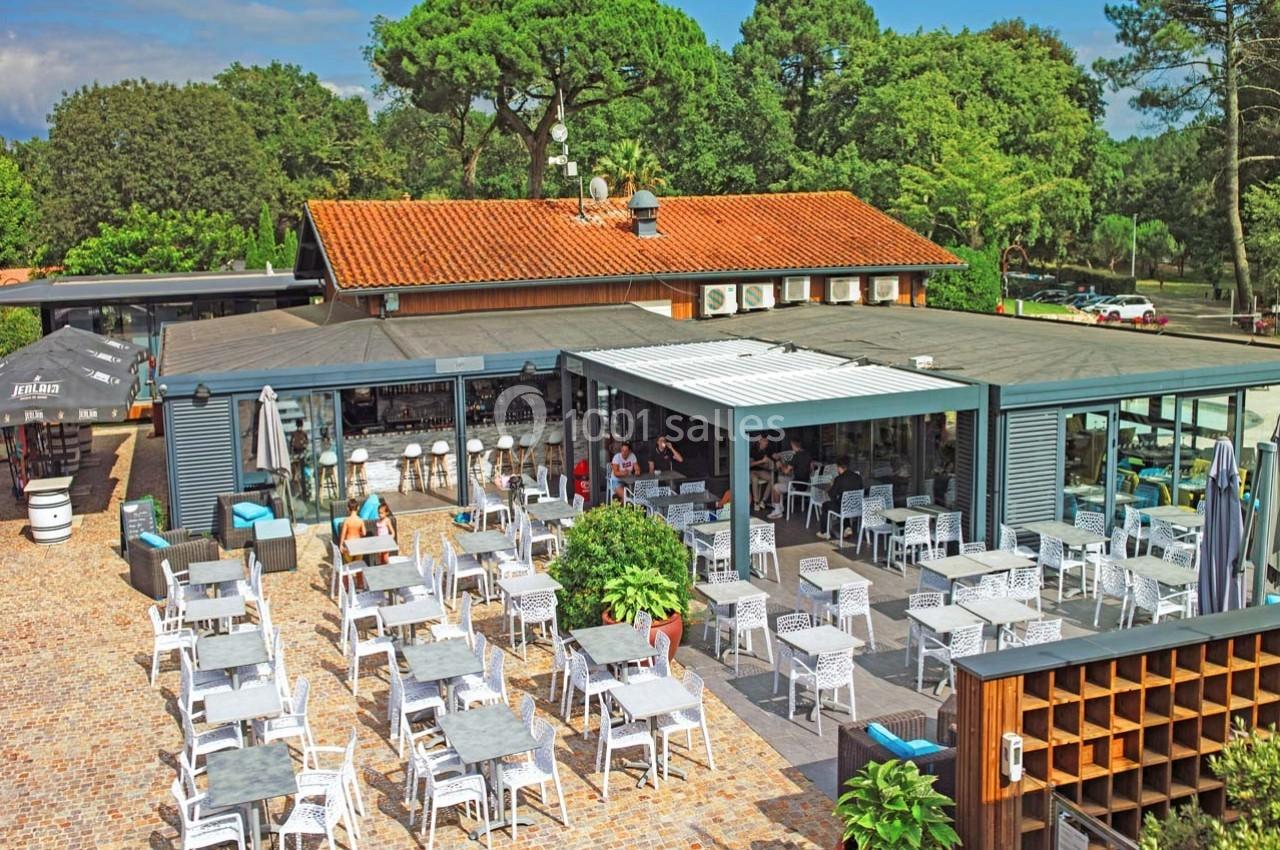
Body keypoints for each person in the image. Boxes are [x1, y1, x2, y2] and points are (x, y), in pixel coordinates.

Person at [816, 456, 865, 540]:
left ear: (838, 467)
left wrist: (832, 485)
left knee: (826, 505)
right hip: (857, 507)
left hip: (845, 508)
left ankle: (824, 532)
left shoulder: (839, 479)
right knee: (843, 503)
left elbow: (832, 494)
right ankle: (847, 528)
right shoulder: (858, 477)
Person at [767, 435, 812, 519]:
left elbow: (786, 471)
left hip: (797, 485)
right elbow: (810, 467)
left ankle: (777, 511)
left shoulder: (796, 456)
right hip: (806, 483)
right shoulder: (807, 454)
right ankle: (780, 505)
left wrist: (780, 464)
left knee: (775, 487)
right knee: (781, 479)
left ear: (792, 445)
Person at [748, 433, 775, 510]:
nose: (766, 442)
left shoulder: (768, 448)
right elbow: (750, 464)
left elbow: (772, 459)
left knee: (772, 478)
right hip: (752, 471)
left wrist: (774, 458)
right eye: (765, 441)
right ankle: (756, 502)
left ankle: (763, 500)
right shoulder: (753, 449)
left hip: (761, 471)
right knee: (755, 479)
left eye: (767, 441)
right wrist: (761, 461)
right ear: (759, 440)